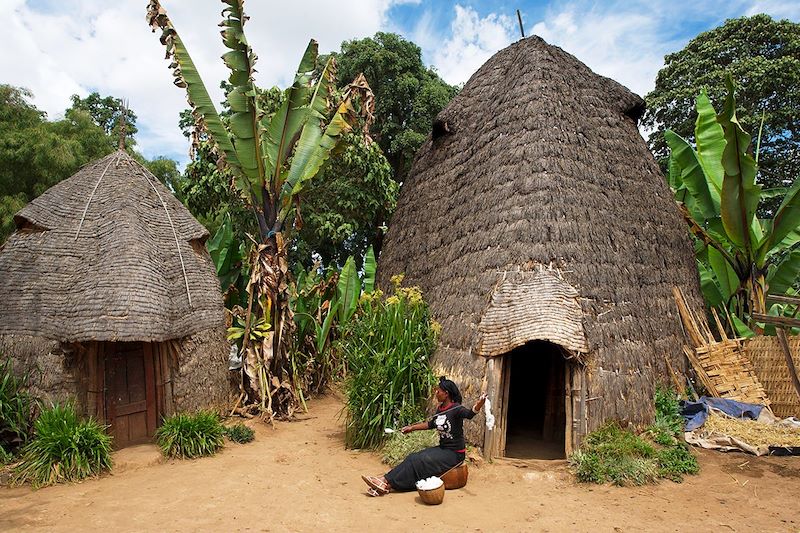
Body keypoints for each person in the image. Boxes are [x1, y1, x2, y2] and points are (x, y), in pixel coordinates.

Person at [361, 377, 487, 496]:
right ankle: (386, 483)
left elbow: (470, 413)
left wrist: (480, 404)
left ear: (446, 393)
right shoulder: (440, 409)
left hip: (455, 454)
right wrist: (411, 428)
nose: (436, 393)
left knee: (417, 460)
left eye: (438, 391)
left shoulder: (456, 409)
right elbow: (431, 424)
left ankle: (386, 481)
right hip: (443, 449)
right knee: (413, 457)